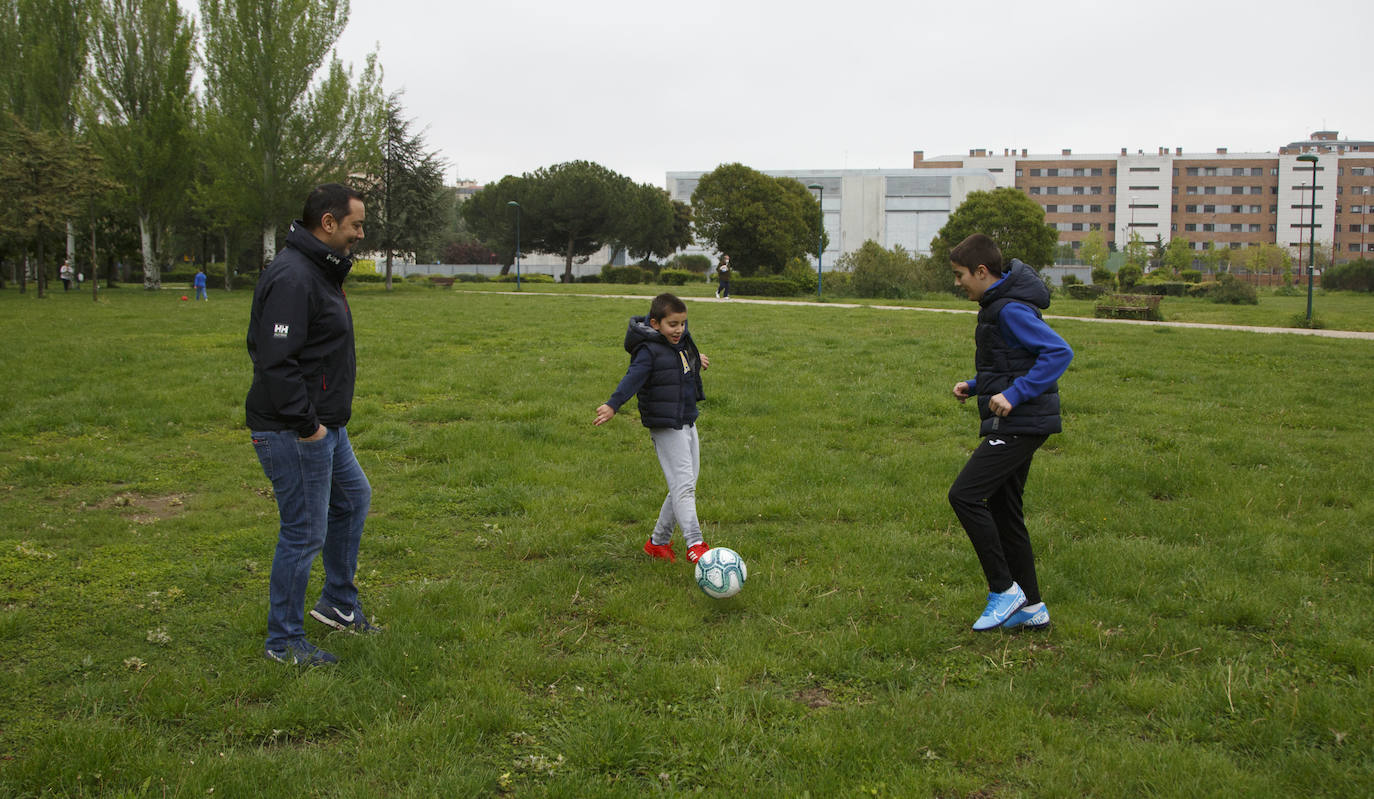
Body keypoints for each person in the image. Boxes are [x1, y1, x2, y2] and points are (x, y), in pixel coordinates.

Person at [246, 183, 379, 667]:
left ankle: (338, 604)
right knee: (303, 532)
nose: (360, 234)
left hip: (322, 424)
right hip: (294, 429)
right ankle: (283, 641)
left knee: (353, 498)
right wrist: (309, 427)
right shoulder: (294, 277)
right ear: (328, 223)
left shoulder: (318, 271)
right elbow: (274, 362)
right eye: (356, 225)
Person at [946, 233, 1073, 632]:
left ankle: (1004, 590)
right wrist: (978, 384)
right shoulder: (997, 306)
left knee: (965, 495)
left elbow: (1058, 352)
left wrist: (1015, 394)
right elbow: (1011, 361)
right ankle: (1032, 609)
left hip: (1022, 423)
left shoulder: (1009, 309)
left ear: (982, 272)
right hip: (1020, 420)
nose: (958, 283)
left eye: (960, 275)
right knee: (1004, 511)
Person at [595, 293, 713, 563]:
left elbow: (681, 367)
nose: (679, 329)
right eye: (673, 324)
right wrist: (613, 404)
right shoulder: (648, 350)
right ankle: (695, 543)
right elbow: (632, 379)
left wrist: (697, 362)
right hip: (664, 424)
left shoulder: (681, 343)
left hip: (685, 418)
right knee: (684, 486)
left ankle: (658, 542)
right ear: (655, 323)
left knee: (685, 483)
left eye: (682, 323)